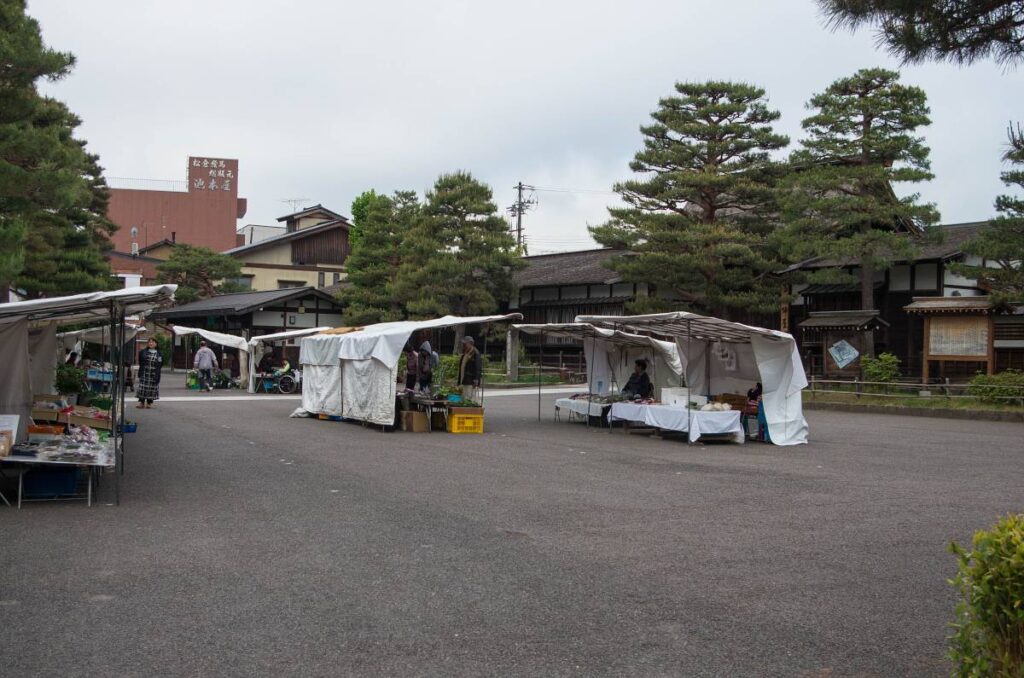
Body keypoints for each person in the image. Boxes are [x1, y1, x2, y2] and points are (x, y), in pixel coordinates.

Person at [136, 338, 163, 408]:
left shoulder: (159, 353)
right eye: (149, 342)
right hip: (145, 372)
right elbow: (140, 361)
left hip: (154, 373)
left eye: (153, 342)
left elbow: (160, 364)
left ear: (156, 344)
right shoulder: (143, 352)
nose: (151, 343)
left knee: (152, 388)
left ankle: (149, 403)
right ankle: (141, 402)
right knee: (142, 388)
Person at [458, 336, 482, 403]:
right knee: (464, 398)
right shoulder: (465, 353)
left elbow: (478, 368)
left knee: (469, 400)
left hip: (470, 381)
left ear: (471, 343)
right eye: (463, 344)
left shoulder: (475, 353)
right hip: (463, 380)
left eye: (465, 344)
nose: (464, 345)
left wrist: (476, 380)